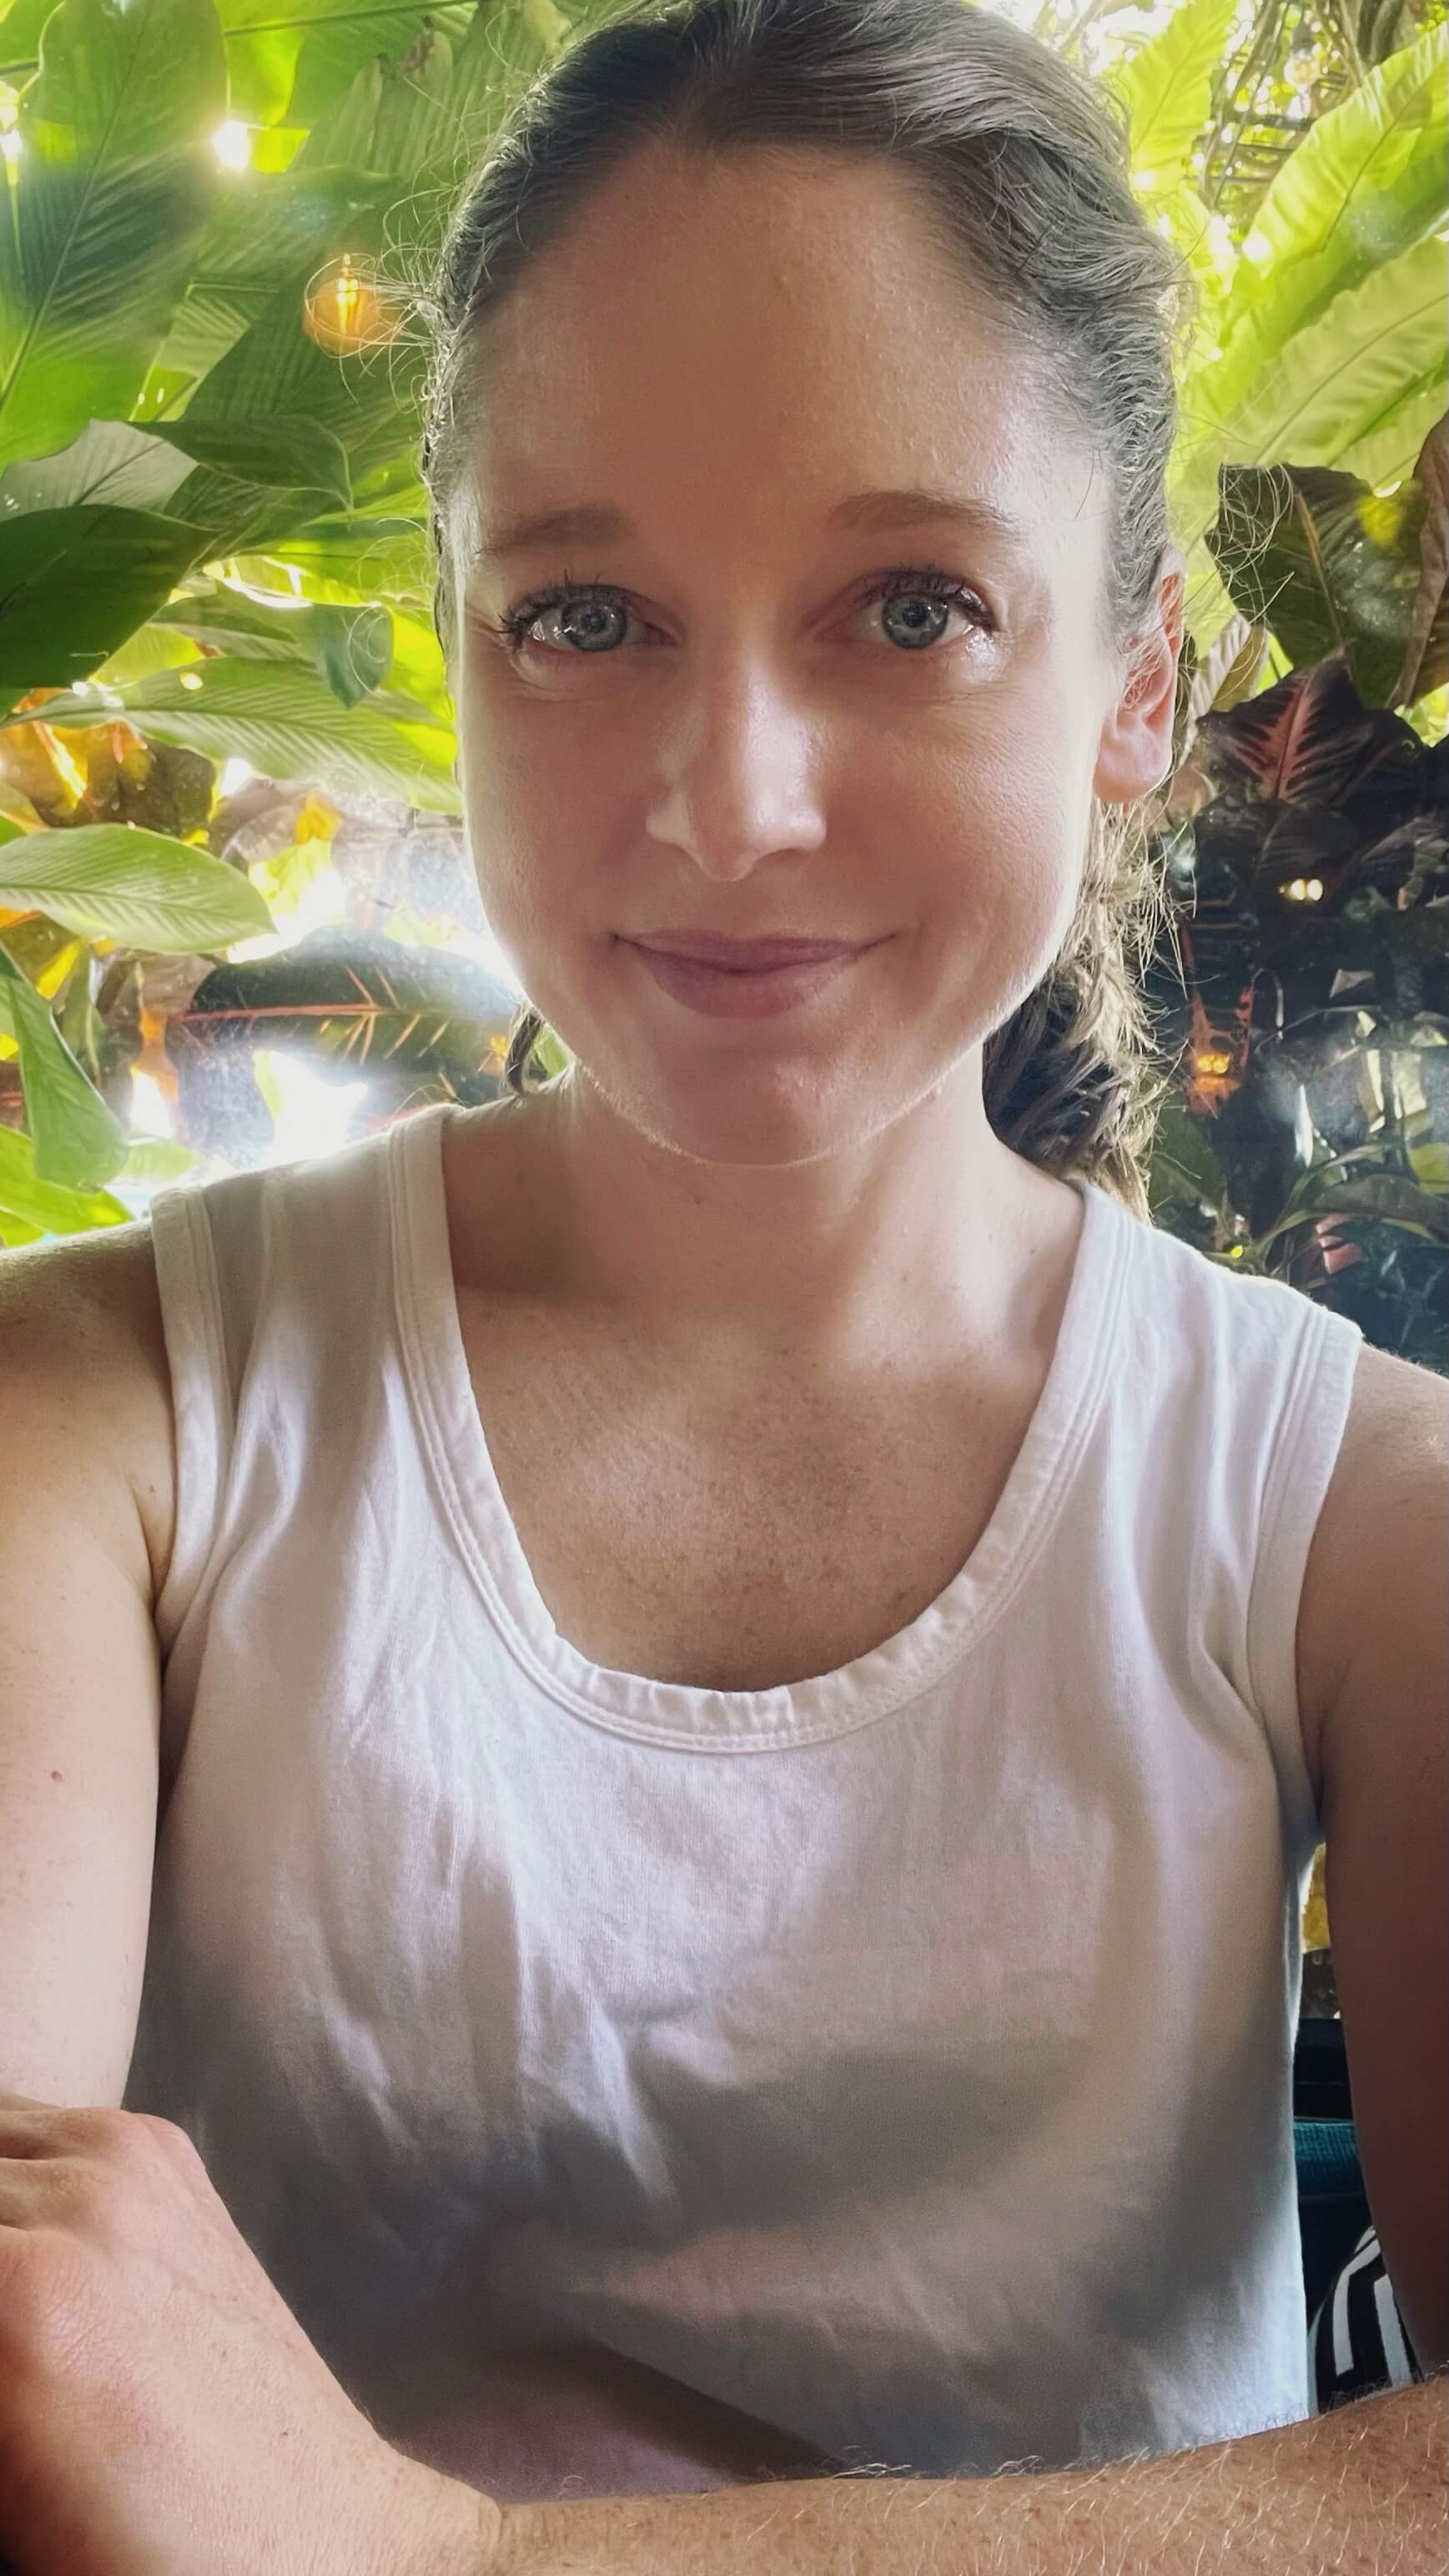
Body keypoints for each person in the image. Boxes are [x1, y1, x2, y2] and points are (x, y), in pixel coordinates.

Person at [0, 2, 1443, 2569]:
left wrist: (451, 2554)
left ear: (1134, 693)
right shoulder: (113, 1410)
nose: (727, 800)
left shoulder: (1350, 1516)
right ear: (453, 645)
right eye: (582, 618)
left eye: (909, 606)